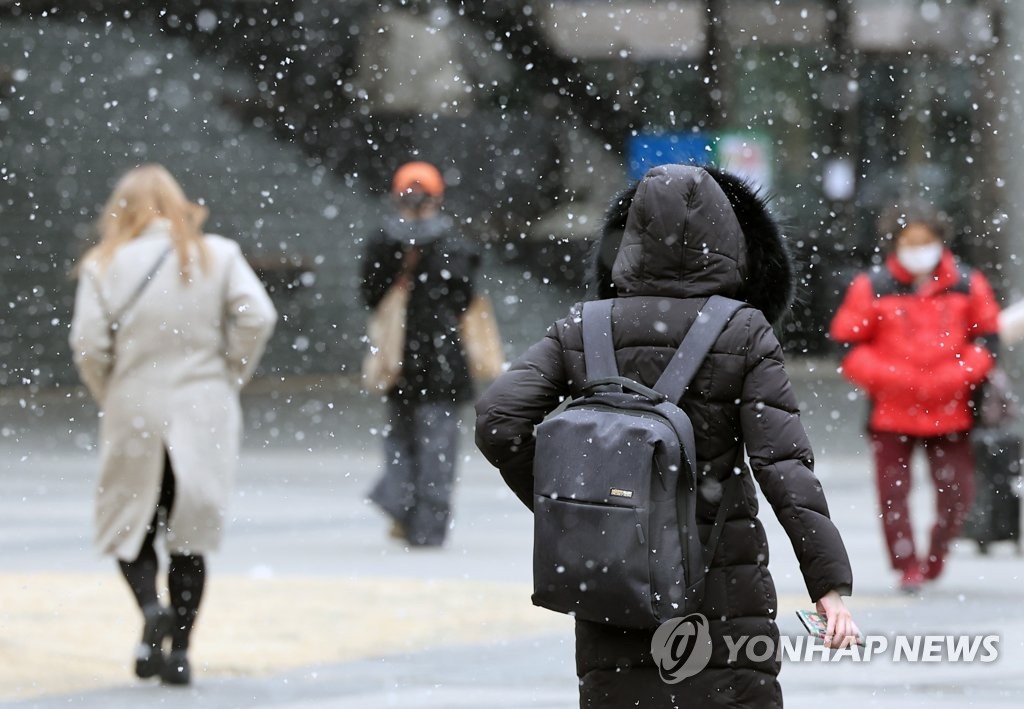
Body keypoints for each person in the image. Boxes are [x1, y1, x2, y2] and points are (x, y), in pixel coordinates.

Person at [475, 164, 857, 708]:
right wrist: (828, 582)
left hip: (616, 572)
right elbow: (784, 465)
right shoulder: (744, 330)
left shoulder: (584, 325)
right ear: (728, 240)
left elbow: (498, 419)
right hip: (720, 573)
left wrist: (582, 507)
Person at [69, 164, 277, 685]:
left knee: (127, 525)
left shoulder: (104, 263)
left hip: (134, 404)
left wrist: (110, 389)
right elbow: (259, 316)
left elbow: (87, 343)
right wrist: (230, 368)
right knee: (190, 535)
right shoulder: (218, 254)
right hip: (204, 408)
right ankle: (181, 651)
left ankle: (149, 609)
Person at [830, 201, 1000, 593]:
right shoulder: (872, 286)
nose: (919, 249)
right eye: (910, 241)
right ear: (896, 244)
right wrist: (892, 377)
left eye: (926, 241)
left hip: (952, 409)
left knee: (957, 493)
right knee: (892, 493)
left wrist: (956, 376)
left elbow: (987, 340)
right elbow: (848, 345)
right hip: (891, 411)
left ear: (941, 242)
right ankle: (906, 563)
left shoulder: (967, 283)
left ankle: (937, 555)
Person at [361, 161, 481, 547]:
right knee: (439, 449)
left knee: (400, 440)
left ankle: (400, 505)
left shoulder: (383, 241)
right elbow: (464, 297)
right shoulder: (456, 244)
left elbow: (369, 294)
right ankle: (429, 526)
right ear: (438, 197)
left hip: (399, 360)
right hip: (443, 358)